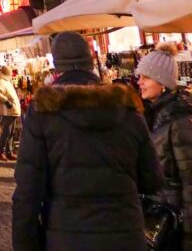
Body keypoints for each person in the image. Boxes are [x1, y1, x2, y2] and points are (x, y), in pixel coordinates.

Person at [12, 31, 162, 251]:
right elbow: (152, 180)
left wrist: (25, 245)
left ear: (56, 65)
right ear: (90, 61)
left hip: (67, 238)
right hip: (125, 236)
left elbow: (28, 192)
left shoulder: (44, 112)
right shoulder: (126, 107)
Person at [136, 42, 192, 250]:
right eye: (139, 76)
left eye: (146, 77)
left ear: (163, 82)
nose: (139, 82)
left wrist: (189, 238)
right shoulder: (154, 116)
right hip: (161, 220)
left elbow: (190, 183)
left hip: (176, 223)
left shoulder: (179, 121)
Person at [0, 65, 21, 162]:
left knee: (11, 132)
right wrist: (6, 102)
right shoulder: (1, 81)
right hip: (6, 111)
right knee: (6, 132)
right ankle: (0, 152)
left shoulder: (7, 81)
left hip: (11, 111)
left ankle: (9, 152)